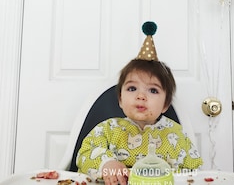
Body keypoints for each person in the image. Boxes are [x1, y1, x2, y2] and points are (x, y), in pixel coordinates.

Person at [76, 22, 203, 185]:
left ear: (165, 104)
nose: (141, 96)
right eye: (132, 88)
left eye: (153, 91)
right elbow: (85, 154)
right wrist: (106, 164)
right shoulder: (107, 130)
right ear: (120, 100)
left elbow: (194, 172)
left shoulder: (176, 135)